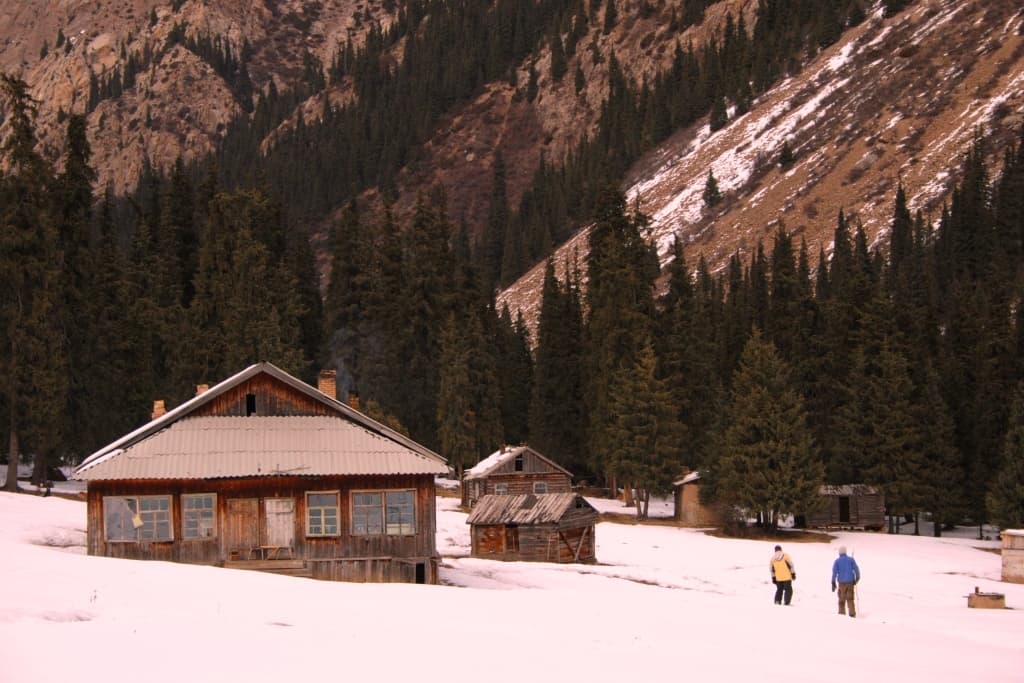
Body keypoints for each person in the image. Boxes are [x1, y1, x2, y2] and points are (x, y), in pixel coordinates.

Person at [831, 545, 861, 617]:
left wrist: (833, 582)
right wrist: (857, 578)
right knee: (850, 599)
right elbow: (856, 569)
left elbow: (834, 572)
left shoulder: (837, 561)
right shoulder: (851, 559)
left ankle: (842, 615)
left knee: (841, 600)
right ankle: (852, 614)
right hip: (850, 582)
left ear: (839, 553)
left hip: (841, 583)